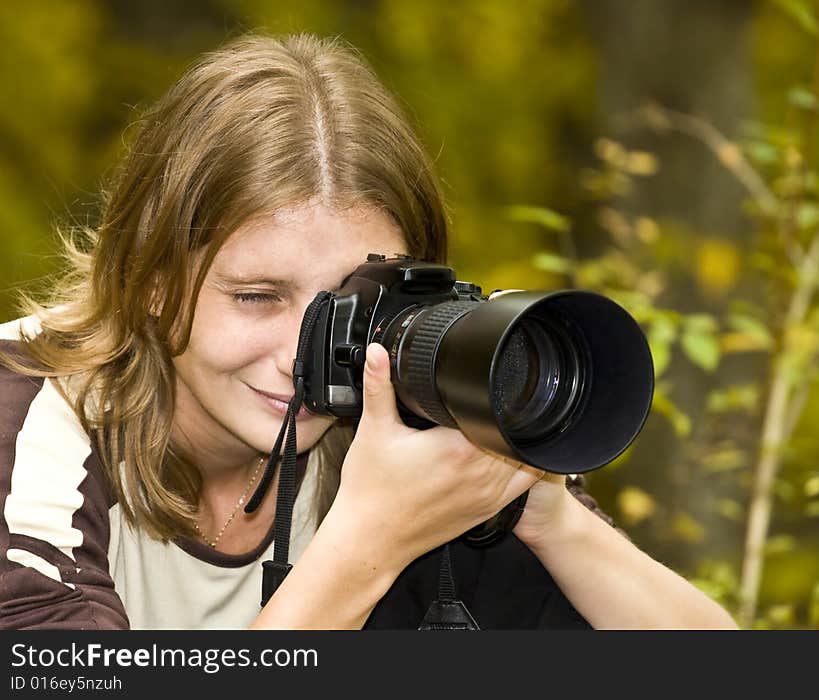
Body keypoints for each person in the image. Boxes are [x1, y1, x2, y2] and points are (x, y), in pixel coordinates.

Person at [0, 32, 738, 631]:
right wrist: (367, 546)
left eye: (352, 305)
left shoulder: (395, 423)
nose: (302, 356)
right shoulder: (32, 418)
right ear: (151, 283)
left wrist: (547, 518)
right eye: (257, 296)